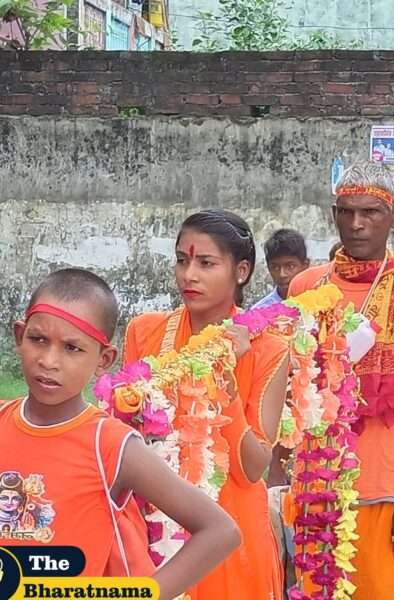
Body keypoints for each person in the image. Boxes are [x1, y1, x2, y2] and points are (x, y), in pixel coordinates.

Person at [0, 269, 241, 598]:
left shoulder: (110, 444)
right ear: (19, 336)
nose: (49, 361)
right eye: (38, 340)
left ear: (103, 359)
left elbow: (220, 530)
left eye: (72, 348)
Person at [283, 161, 394, 599]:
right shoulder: (306, 285)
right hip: (313, 480)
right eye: (346, 211)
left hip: (383, 487)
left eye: (371, 213)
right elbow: (286, 381)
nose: (356, 225)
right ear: (333, 213)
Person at [123, 210, 290, 599]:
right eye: (182, 261)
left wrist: (225, 385)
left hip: (231, 531)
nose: (188, 275)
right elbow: (125, 433)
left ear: (242, 270)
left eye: (205, 263)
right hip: (154, 524)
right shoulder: (145, 332)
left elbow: (253, 468)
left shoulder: (268, 348)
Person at [252, 228, 311, 308]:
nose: (282, 274)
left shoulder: (322, 305)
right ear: (268, 268)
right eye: (275, 267)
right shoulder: (261, 311)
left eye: (290, 266)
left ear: (305, 265)